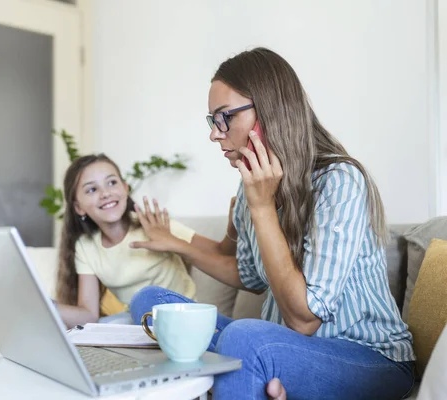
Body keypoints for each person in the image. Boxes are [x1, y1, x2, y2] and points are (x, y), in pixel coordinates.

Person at [128, 47, 416, 400]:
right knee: (152, 305)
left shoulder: (339, 181)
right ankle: (259, 372)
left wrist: (262, 208)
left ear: (268, 112)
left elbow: (304, 320)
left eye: (224, 117)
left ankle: (255, 365)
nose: (215, 134)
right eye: (212, 120)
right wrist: (180, 242)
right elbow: (248, 275)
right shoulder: (250, 180)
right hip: (285, 347)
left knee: (246, 339)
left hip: (370, 359)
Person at [53, 153, 197, 329]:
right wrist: (46, 304)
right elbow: (89, 315)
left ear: (125, 188)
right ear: (78, 207)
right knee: (99, 328)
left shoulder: (153, 225)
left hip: (184, 317)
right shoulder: (86, 246)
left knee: (146, 297)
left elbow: (215, 253)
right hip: (141, 323)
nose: (105, 193)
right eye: (92, 189)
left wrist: (173, 242)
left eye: (112, 182)